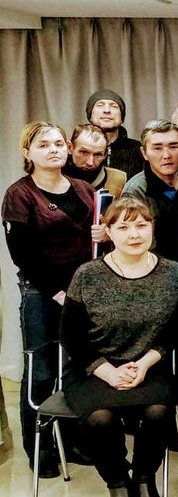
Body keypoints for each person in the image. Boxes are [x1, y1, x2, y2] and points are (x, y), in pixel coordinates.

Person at [60, 197, 178, 497]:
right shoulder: (88, 275)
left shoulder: (172, 273)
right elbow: (71, 337)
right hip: (92, 369)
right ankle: (117, 481)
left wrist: (144, 364)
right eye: (124, 226)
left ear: (153, 228)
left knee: (159, 411)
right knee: (100, 418)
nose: (134, 234)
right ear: (108, 231)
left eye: (142, 225)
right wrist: (107, 372)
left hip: (148, 365)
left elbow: (174, 333)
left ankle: (144, 478)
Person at [4, 121, 99, 478]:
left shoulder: (84, 189)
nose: (54, 149)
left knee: (76, 370)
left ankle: (72, 442)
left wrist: (103, 235)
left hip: (82, 294)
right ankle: (39, 449)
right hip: (41, 294)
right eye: (44, 144)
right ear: (28, 153)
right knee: (41, 373)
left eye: (59, 143)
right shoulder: (20, 194)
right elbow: (22, 255)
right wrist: (58, 292)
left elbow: (94, 246)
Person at [123, 120, 178, 257]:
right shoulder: (136, 190)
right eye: (157, 148)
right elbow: (140, 245)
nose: (167, 155)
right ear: (144, 153)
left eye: (173, 146)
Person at [86, 89, 144, 176]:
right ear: (90, 116)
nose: (106, 110)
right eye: (100, 105)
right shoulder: (77, 150)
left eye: (114, 106)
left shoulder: (139, 150)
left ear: (121, 119)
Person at [65, 123, 126, 197]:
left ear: (105, 154)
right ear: (70, 148)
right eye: (84, 152)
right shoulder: (54, 177)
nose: (90, 162)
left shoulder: (117, 180)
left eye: (98, 155)